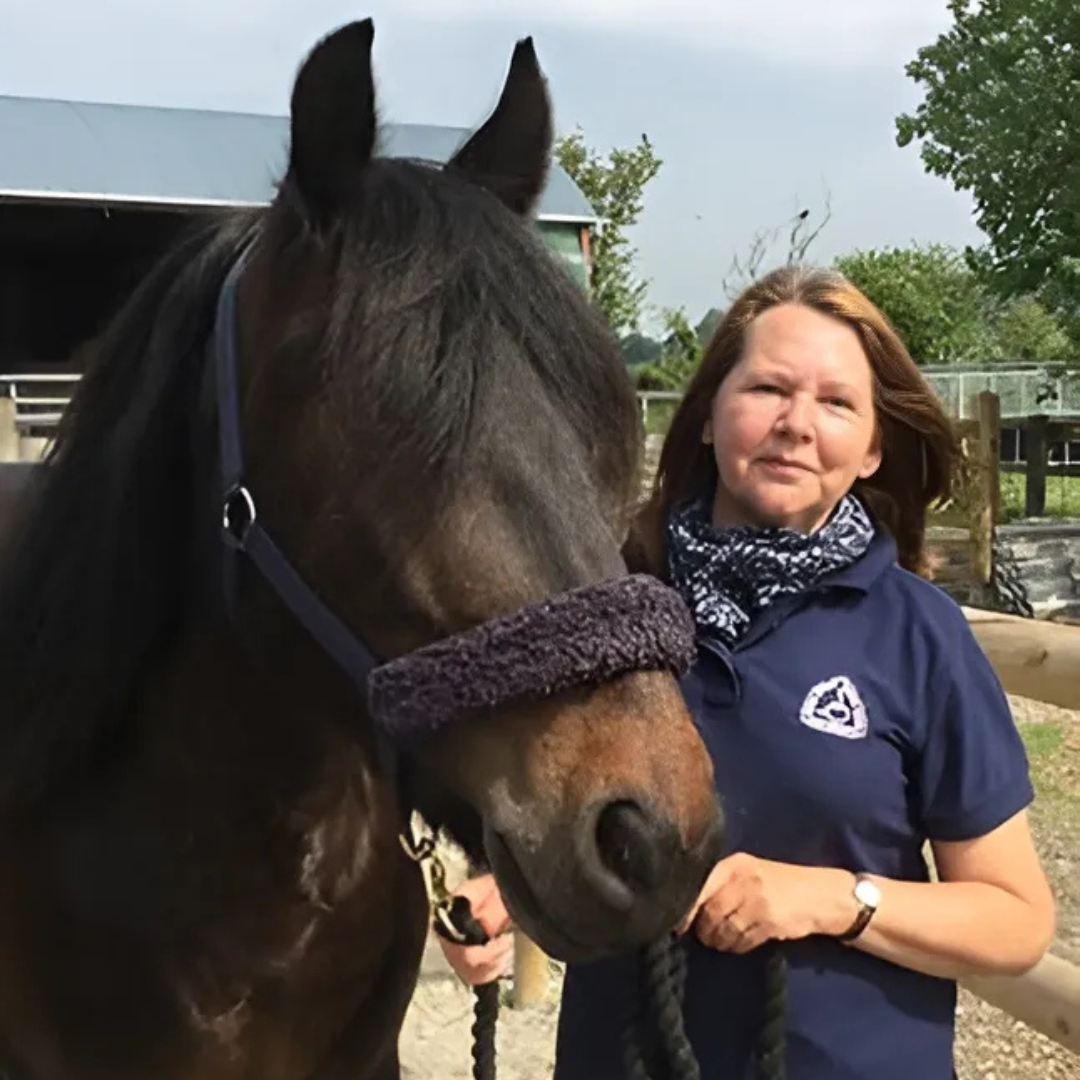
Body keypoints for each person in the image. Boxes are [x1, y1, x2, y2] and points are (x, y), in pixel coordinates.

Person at [436, 265, 1057, 1080]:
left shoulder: (917, 634)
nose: (797, 424)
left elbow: (1015, 921)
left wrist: (835, 900)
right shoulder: (609, 610)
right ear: (707, 417)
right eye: (766, 388)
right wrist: (511, 902)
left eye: (836, 403)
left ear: (873, 449)